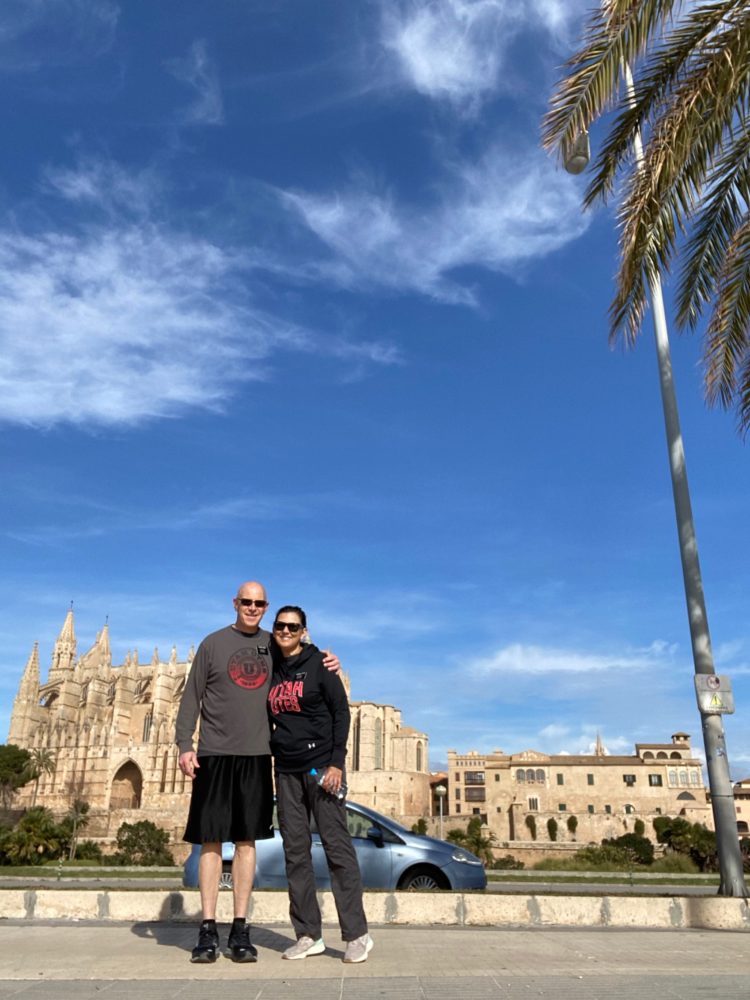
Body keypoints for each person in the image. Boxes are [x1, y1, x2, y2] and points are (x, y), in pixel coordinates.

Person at [175, 582, 339, 964]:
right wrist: (185, 744)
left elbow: (306, 664)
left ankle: (240, 928)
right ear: (235, 603)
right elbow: (190, 696)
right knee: (211, 843)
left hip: (258, 756)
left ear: (265, 607)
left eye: (259, 603)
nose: (252, 607)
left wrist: (331, 663)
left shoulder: (273, 644)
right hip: (213, 754)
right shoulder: (212, 644)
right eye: (246, 601)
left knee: (247, 843)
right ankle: (207, 928)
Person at [268, 605, 373, 965]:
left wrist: (337, 763)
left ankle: (357, 934)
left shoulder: (319, 665)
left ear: (303, 630)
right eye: (280, 625)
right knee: (295, 853)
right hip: (285, 771)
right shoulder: (270, 665)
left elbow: (341, 712)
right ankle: (308, 934)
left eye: (292, 626)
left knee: (336, 848)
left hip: (320, 769)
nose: (285, 631)